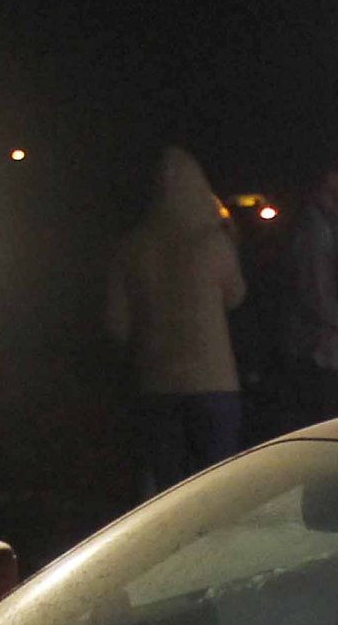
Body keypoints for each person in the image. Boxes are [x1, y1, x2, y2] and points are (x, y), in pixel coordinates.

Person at [105, 148, 248, 493]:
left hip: (156, 384)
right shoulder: (214, 243)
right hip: (215, 383)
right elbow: (237, 296)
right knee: (216, 483)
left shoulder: (132, 247)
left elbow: (116, 324)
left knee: (167, 490)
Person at [270, 150, 338, 431]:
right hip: (315, 353)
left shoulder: (331, 220)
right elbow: (317, 294)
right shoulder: (316, 225)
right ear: (331, 176)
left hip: (324, 352)